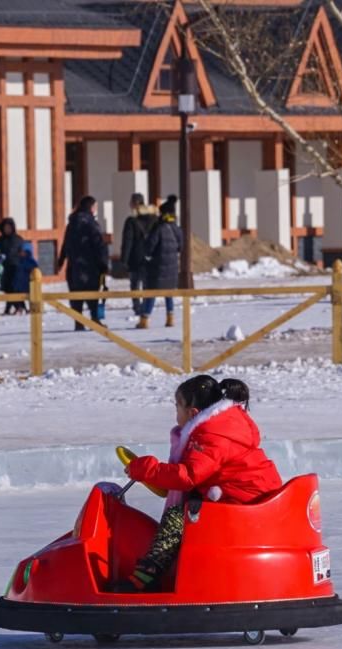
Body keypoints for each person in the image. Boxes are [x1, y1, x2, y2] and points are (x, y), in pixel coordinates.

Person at [120, 375, 282, 591]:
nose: (175, 413)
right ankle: (179, 569)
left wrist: (147, 469)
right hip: (243, 497)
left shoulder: (213, 435)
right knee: (191, 504)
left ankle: (148, 574)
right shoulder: (221, 426)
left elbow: (188, 476)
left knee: (178, 516)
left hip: (246, 504)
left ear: (193, 413)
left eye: (177, 406)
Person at [56, 196, 110, 329]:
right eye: (95, 207)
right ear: (91, 208)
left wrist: (61, 260)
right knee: (93, 294)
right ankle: (94, 319)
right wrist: (104, 264)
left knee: (76, 295)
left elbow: (65, 243)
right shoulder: (92, 224)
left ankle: (78, 322)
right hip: (90, 266)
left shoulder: (72, 223)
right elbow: (99, 246)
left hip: (74, 266)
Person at [141, 194, 181, 329]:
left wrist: (147, 256)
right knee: (169, 293)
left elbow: (149, 247)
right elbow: (181, 246)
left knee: (151, 292)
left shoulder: (158, 228)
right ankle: (170, 319)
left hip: (157, 267)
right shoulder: (176, 228)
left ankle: (145, 318)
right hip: (172, 267)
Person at [118, 193, 158, 317]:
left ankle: (137, 307)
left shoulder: (131, 221)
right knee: (148, 284)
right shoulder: (154, 219)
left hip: (135, 258)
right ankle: (147, 308)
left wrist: (123, 261)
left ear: (134, 204)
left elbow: (127, 242)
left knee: (134, 285)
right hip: (150, 258)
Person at [0, 217, 23, 295]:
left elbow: (25, 252)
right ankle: (14, 306)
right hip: (4, 269)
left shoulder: (18, 239)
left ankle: (19, 306)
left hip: (15, 268)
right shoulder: (0, 240)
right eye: (5, 228)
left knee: (15, 289)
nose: (7, 229)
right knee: (7, 290)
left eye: (9, 227)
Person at [7, 240, 40, 314]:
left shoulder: (31, 261)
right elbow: (17, 273)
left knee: (31, 297)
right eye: (20, 251)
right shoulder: (19, 261)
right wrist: (14, 282)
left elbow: (35, 271)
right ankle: (21, 308)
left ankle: (33, 309)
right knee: (18, 297)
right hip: (19, 285)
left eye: (23, 251)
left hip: (28, 284)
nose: (21, 253)